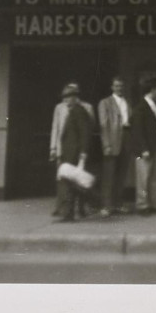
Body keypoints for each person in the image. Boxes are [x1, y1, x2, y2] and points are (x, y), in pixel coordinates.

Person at [49, 82, 95, 218]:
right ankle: (69, 212)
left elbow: (85, 135)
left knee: (69, 184)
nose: (66, 100)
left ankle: (69, 213)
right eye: (65, 97)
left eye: (69, 97)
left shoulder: (79, 112)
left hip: (74, 154)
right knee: (69, 184)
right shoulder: (73, 111)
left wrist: (83, 155)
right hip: (70, 154)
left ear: (75, 97)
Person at [129, 77, 156, 215]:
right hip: (145, 146)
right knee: (143, 177)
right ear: (152, 89)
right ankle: (142, 205)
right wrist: (143, 148)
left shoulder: (154, 105)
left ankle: (154, 203)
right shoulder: (141, 107)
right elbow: (137, 130)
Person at [97, 76, 132, 217]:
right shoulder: (105, 103)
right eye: (116, 86)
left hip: (126, 137)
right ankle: (106, 206)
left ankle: (118, 203)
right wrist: (106, 144)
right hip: (112, 139)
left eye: (121, 86)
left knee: (122, 174)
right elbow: (103, 125)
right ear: (112, 87)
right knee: (109, 175)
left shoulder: (126, 102)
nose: (119, 88)